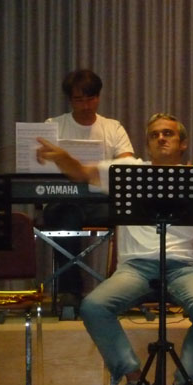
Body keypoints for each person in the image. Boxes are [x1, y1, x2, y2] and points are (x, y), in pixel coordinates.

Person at [36, 113, 193, 385]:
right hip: (135, 267)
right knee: (94, 307)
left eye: (168, 133)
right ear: (147, 144)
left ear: (183, 143)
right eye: (154, 135)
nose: (161, 138)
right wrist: (62, 157)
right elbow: (82, 172)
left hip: (182, 267)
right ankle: (135, 382)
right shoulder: (128, 172)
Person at [44, 69, 135, 312]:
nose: (85, 105)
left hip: (101, 201)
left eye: (91, 99)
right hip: (64, 200)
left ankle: (126, 287)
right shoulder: (54, 126)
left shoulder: (112, 127)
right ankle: (71, 292)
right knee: (65, 218)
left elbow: (127, 163)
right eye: (79, 100)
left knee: (134, 215)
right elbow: (39, 165)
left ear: (99, 97)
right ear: (70, 100)